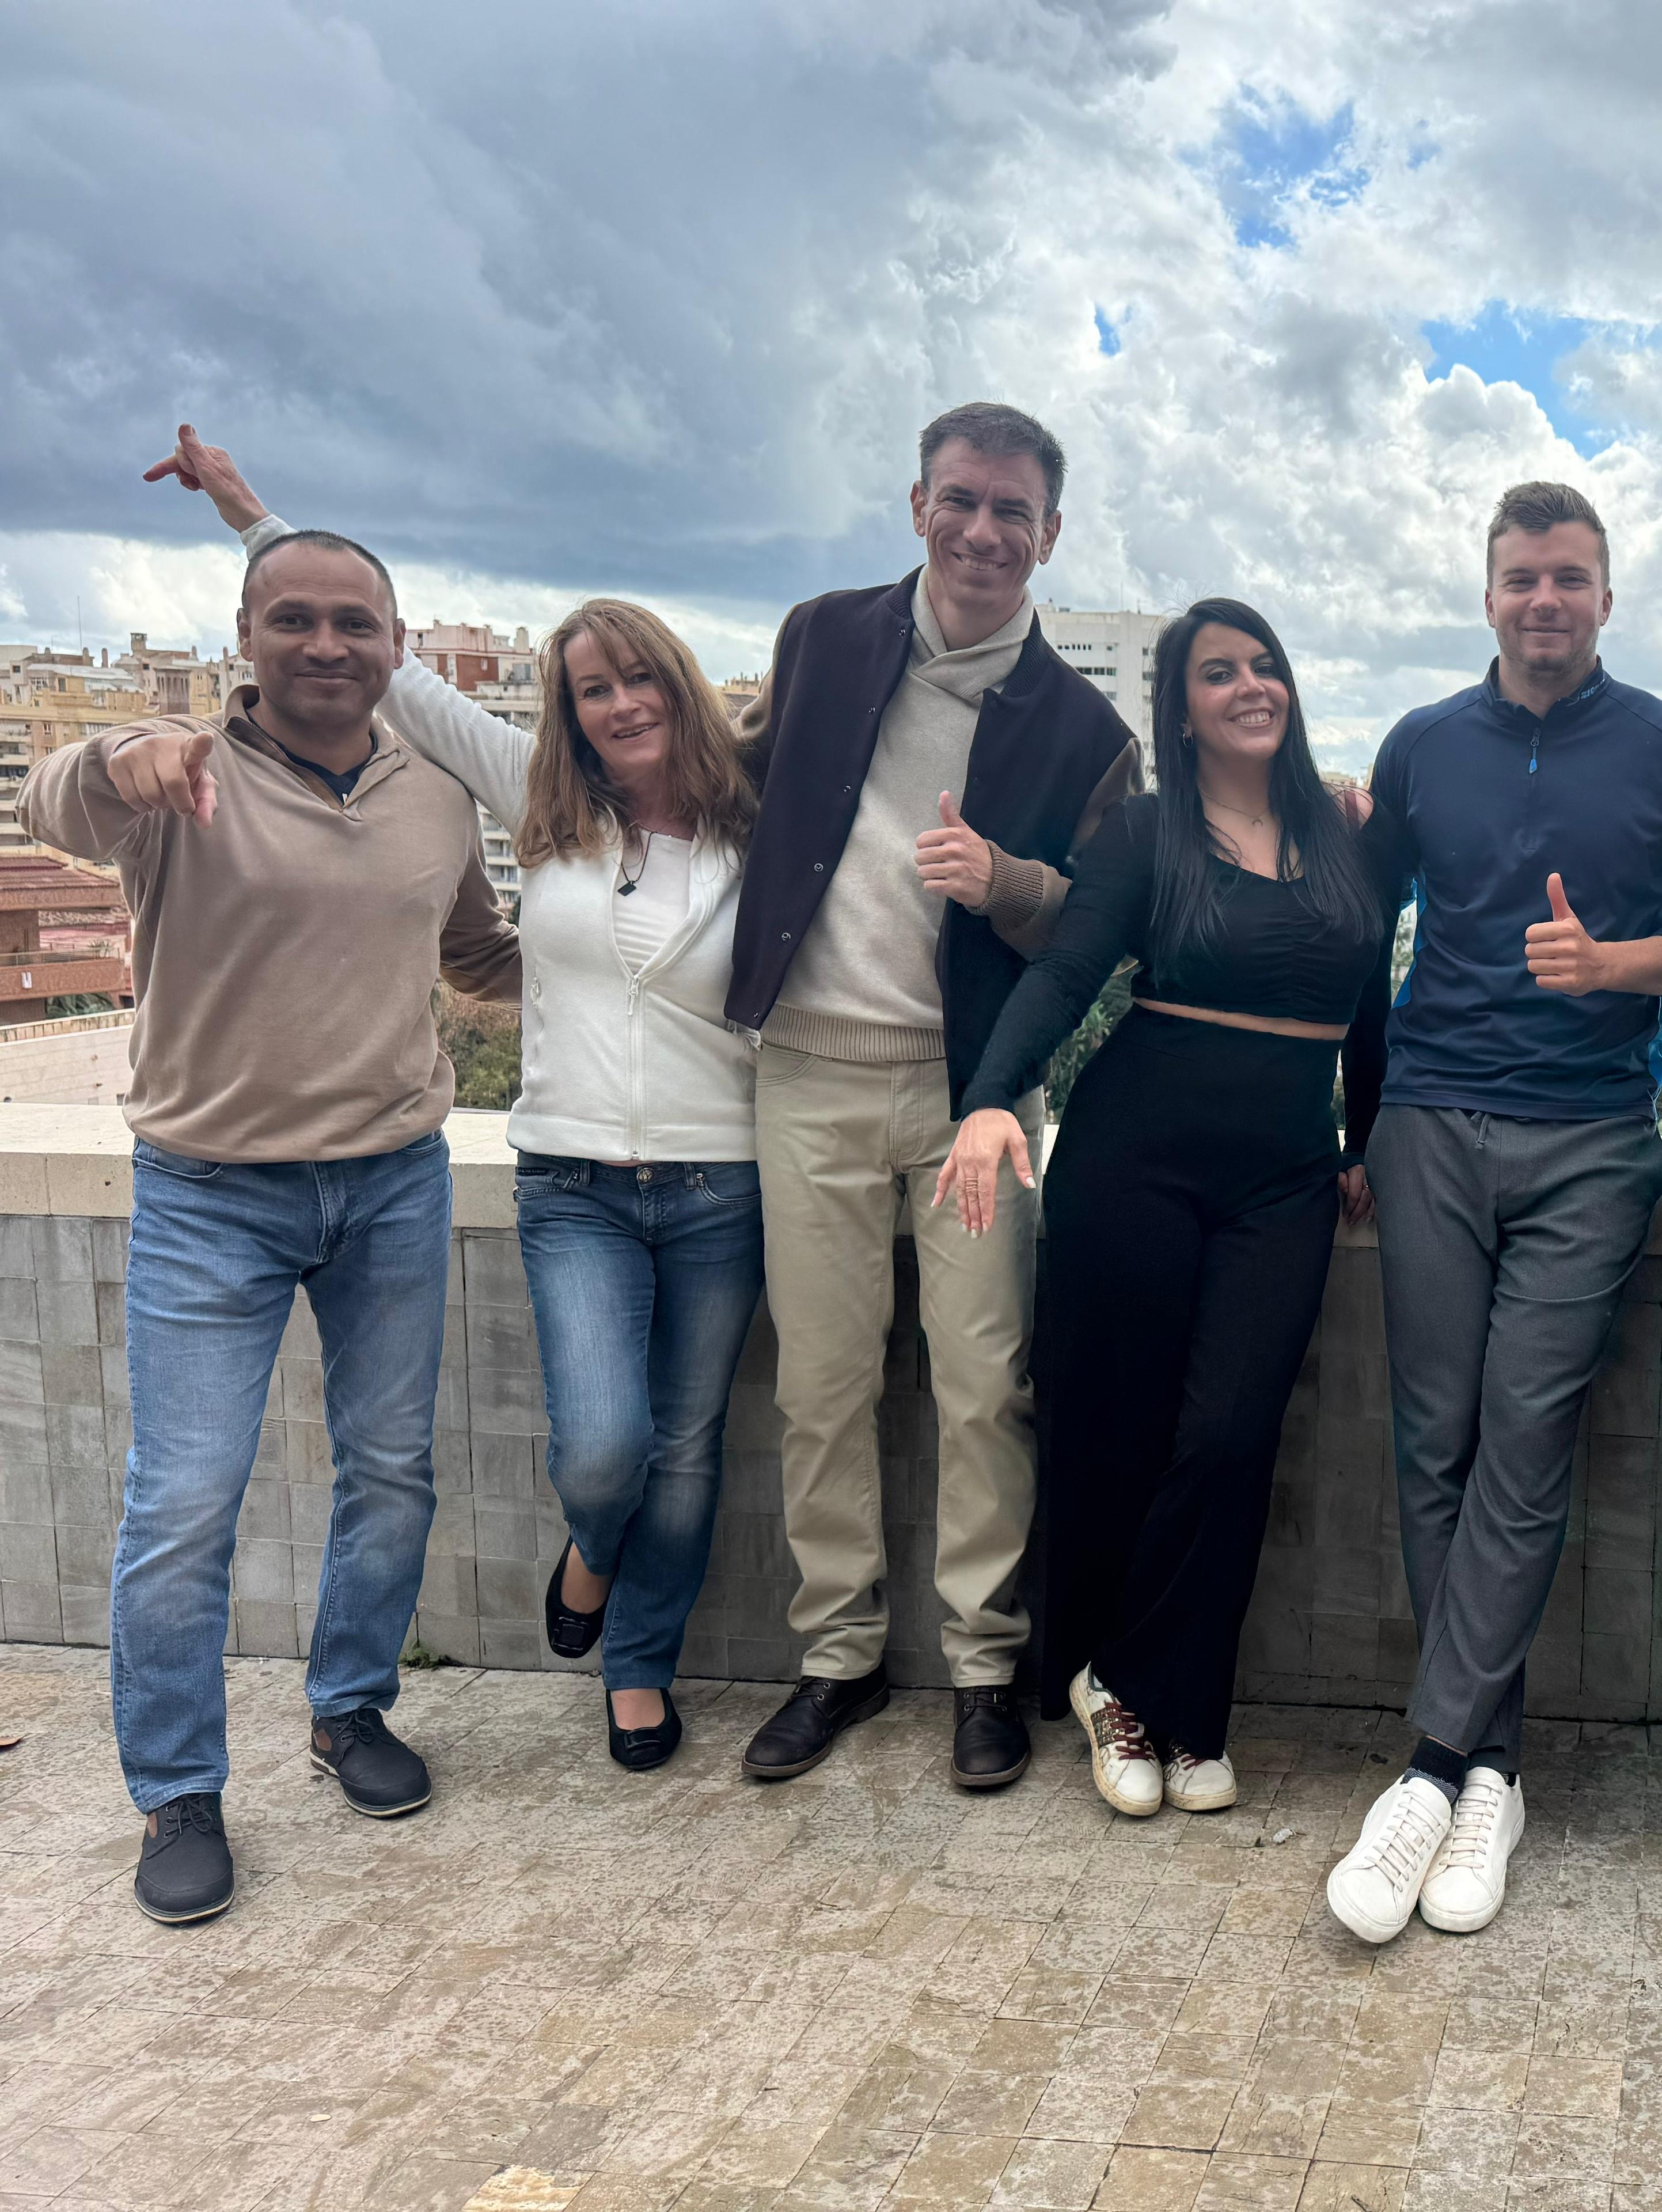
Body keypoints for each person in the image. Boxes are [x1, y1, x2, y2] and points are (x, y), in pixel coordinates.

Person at [155, 429, 767, 1775]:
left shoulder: (754, 832)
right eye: (592, 688)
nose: (620, 704)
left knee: (689, 1449)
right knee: (606, 1450)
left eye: (639, 679)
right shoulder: (541, 803)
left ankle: (639, 1668)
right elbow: (404, 678)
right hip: (572, 1186)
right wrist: (249, 513)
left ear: (679, 688)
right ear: (569, 711)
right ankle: (591, 1555)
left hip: (724, 1181)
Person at [29, 488, 518, 1925]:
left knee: (392, 1473)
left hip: (392, 1179)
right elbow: (49, 802)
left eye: (353, 622)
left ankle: (349, 1709)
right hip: (209, 1194)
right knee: (184, 1502)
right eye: (292, 618)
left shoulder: (434, 790)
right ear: (246, 635)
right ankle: (178, 1791)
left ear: (395, 644)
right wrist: (122, 751)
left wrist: (653, 959)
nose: (324, 643)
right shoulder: (175, 776)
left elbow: (479, 954)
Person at [1326, 484, 1662, 1943]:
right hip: (1430, 1121)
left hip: (1593, 1139)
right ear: (1486, 594)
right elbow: (1357, 931)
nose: (1543, 600)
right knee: (1432, 1439)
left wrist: (1612, 966)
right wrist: (1354, 1123)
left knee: (1525, 1440)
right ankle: (1487, 1771)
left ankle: (1433, 1768)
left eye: (1568, 577)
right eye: (1519, 578)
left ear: (1606, 597)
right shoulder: (1423, 743)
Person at [723, 402, 1139, 1791]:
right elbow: (732, 789)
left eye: (1011, 510)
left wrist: (1005, 882)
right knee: (820, 1385)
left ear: (1049, 534)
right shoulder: (822, 639)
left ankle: (982, 1670)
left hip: (979, 1097)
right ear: (916, 506)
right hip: (808, 1069)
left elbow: (1098, 931)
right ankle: (837, 1658)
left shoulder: (1084, 727)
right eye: (959, 499)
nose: (981, 530)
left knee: (982, 1390)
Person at [936, 601, 1385, 1820]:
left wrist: (1368, 1135)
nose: (1250, 686)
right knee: (1117, 1426)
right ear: (1179, 711)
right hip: (1134, 1156)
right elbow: (1065, 972)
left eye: (1264, 666)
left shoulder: (1350, 835)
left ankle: (1133, 1678)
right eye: (1218, 673)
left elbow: (1372, 1004)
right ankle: (1155, 1710)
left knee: (1231, 1436)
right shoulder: (1146, 832)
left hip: (1283, 1178)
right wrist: (989, 1099)